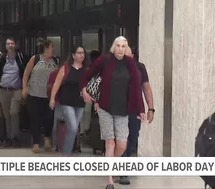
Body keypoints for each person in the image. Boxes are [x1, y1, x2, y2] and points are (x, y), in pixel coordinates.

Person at [80, 36, 145, 189]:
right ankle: (109, 179)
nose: (121, 49)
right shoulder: (104, 61)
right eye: (118, 46)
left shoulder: (130, 64)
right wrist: (84, 90)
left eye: (124, 46)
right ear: (113, 47)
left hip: (123, 109)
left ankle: (109, 166)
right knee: (110, 142)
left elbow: (136, 88)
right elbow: (87, 74)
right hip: (105, 107)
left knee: (122, 144)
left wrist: (141, 109)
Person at [115, 47, 154, 185]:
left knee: (132, 137)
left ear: (132, 54)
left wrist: (151, 108)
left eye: (127, 51)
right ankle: (122, 172)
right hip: (117, 109)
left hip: (135, 109)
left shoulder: (140, 67)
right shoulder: (113, 66)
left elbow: (146, 87)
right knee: (120, 138)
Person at [22, 39, 58, 153]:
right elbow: (26, 74)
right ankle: (36, 143)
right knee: (35, 119)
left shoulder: (55, 61)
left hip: (48, 96)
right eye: (52, 47)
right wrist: (24, 88)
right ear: (46, 48)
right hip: (34, 94)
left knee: (49, 119)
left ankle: (47, 139)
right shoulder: (35, 59)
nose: (53, 49)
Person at [50, 45, 87, 155]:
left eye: (83, 53)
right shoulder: (66, 68)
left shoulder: (86, 69)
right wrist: (52, 98)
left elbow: (89, 85)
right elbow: (57, 83)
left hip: (80, 103)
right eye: (79, 53)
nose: (81, 55)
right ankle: (66, 154)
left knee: (74, 129)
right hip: (66, 102)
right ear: (73, 55)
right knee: (73, 127)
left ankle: (67, 151)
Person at [0, 37, 28, 147]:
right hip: (4, 90)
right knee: (6, 115)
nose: (10, 46)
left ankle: (14, 136)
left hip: (16, 89)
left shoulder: (21, 57)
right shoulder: (2, 58)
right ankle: (9, 137)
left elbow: (26, 73)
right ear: (5, 46)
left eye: (12, 43)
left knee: (14, 112)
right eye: (8, 44)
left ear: (15, 45)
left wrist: (25, 88)